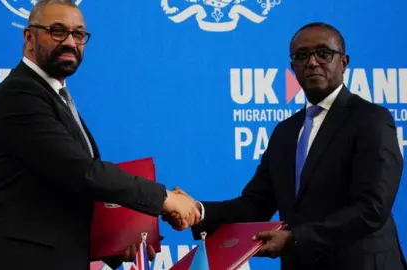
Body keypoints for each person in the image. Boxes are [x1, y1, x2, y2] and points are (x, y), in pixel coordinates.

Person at [0, 1, 199, 270]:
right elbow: (81, 172)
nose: (70, 41)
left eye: (78, 34)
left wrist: (117, 243)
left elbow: (67, 194)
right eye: (57, 31)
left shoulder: (54, 96)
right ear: (28, 37)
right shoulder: (19, 95)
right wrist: (165, 198)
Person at [164, 22, 406, 270]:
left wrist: (296, 238)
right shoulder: (286, 131)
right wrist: (197, 210)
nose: (312, 62)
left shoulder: (371, 119)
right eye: (302, 55)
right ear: (293, 68)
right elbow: (254, 205)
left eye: (323, 53)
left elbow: (372, 208)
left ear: (343, 62)